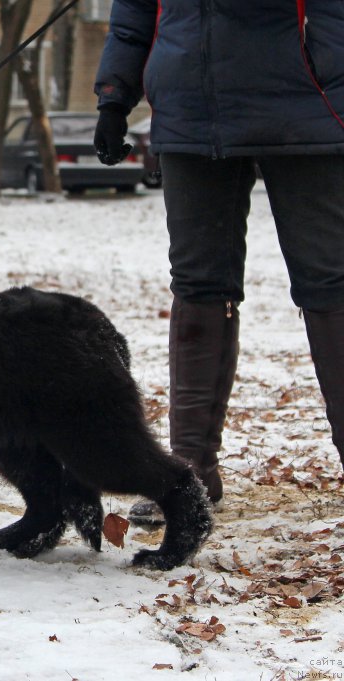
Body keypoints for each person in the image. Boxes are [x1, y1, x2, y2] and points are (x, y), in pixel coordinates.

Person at [92, 1, 344, 524]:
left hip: (305, 106)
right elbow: (135, 11)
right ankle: (190, 472)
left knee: (330, 284)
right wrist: (114, 96)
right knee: (198, 285)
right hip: (190, 110)